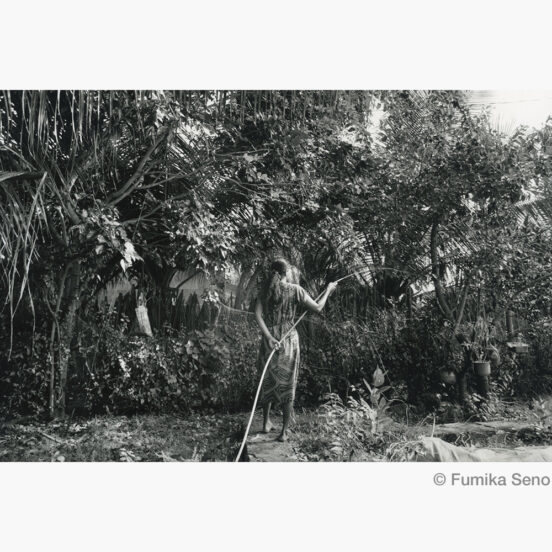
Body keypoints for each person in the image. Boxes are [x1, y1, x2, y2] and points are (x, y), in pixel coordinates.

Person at [255, 258, 338, 442]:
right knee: (287, 384)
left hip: (269, 341)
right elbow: (318, 307)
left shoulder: (265, 289)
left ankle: (266, 422)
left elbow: (257, 314)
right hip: (287, 341)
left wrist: (269, 337)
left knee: (266, 380)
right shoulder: (296, 290)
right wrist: (328, 290)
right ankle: (284, 432)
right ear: (286, 273)